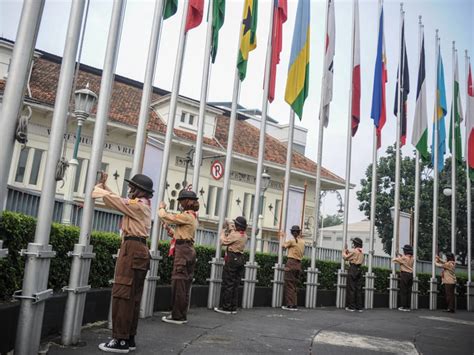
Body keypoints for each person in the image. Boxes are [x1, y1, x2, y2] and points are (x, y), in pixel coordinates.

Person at [93, 173, 154, 353]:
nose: (130, 190)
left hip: (132, 248)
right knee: (132, 296)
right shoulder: (140, 205)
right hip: (139, 249)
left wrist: (97, 189)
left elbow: (118, 202)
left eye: (132, 187)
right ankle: (129, 338)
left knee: (123, 292)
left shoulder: (138, 205)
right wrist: (105, 188)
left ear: (139, 190)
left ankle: (120, 340)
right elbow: (119, 201)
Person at [159, 190, 199, 324]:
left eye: (181, 201)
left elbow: (168, 217)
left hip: (183, 251)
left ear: (186, 202)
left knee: (179, 283)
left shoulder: (186, 216)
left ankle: (177, 316)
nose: (180, 204)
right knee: (184, 284)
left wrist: (161, 208)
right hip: (188, 249)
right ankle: (181, 314)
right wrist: (170, 231)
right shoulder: (192, 216)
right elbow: (182, 234)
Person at [214, 216, 248, 315]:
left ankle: (226, 307)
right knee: (235, 284)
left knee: (228, 283)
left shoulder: (235, 235)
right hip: (240, 259)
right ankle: (233, 307)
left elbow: (223, 242)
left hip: (232, 258)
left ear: (237, 226)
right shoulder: (244, 235)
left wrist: (222, 233)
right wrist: (231, 226)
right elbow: (235, 232)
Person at [280, 225, 305, 311]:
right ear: (298, 232)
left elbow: (283, 246)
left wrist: (283, 237)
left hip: (291, 263)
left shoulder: (292, 241)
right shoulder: (302, 242)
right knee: (294, 285)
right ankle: (294, 304)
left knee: (289, 284)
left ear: (292, 232)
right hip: (298, 264)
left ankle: (289, 305)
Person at [343, 237, 364, 312]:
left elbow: (345, 257)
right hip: (359, 270)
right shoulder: (361, 251)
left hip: (353, 269)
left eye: (353, 243)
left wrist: (344, 250)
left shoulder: (354, 251)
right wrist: (349, 252)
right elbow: (353, 255)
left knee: (351, 288)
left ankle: (351, 307)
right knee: (358, 289)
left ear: (355, 244)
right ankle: (359, 307)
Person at [393, 244, 414, 311]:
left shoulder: (404, 258)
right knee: (408, 291)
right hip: (411, 275)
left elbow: (394, 260)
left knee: (403, 291)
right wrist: (401, 256)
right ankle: (408, 307)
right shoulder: (412, 258)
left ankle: (403, 306)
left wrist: (397, 256)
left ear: (405, 251)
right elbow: (404, 259)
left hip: (404, 275)